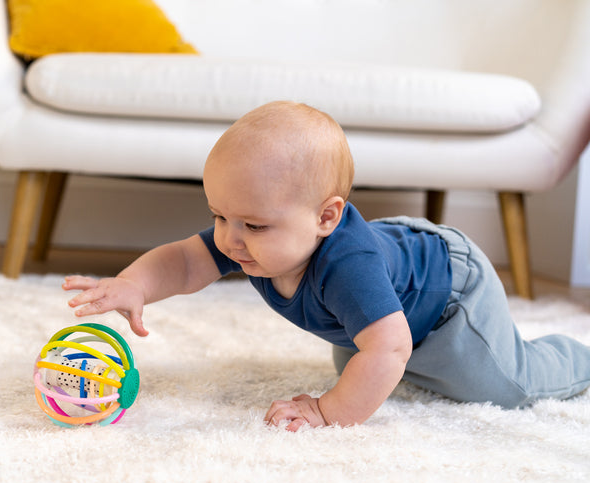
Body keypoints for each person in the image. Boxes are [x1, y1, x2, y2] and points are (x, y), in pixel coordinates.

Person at [62, 101, 590, 430]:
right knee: (358, 360)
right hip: (392, 263)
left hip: (449, 294)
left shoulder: (349, 268)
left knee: (502, 385)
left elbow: (392, 345)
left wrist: (326, 412)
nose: (231, 239)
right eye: (219, 216)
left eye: (253, 225)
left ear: (326, 217)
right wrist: (133, 284)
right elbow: (183, 261)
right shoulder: (251, 233)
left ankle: (574, 355)